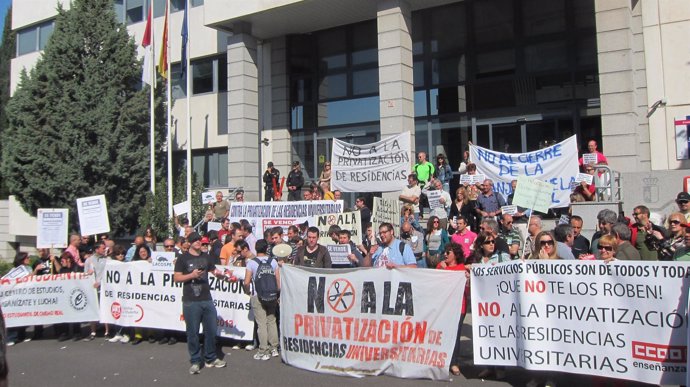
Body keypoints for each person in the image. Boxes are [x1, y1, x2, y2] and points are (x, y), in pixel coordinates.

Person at [173, 232, 227, 374]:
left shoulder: (206, 256)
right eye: (195, 240)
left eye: (200, 240)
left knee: (211, 330)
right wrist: (192, 275)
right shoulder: (182, 259)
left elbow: (213, 270)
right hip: (191, 300)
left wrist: (221, 275)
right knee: (193, 333)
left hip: (206, 298)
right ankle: (196, 360)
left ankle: (211, 357)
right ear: (189, 243)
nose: (198, 242)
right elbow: (177, 278)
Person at [239, 239, 280, 361]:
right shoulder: (273, 261)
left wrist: (247, 291)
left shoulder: (251, 263)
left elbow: (246, 282)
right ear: (267, 248)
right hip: (272, 294)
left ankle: (263, 349)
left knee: (261, 323)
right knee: (271, 320)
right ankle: (274, 348)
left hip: (258, 294)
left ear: (256, 249)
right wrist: (278, 293)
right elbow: (278, 281)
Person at [435, 242, 468, 376]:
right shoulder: (440, 266)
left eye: (448, 252)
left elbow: (465, 289)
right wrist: (441, 269)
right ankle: (441, 359)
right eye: (445, 252)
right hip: (443, 307)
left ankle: (454, 362)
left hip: (459, 307)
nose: (445, 254)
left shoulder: (462, 269)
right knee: (442, 334)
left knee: (455, 336)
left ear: (455, 255)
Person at [83, 241, 110, 341]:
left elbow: (108, 273)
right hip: (93, 289)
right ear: (97, 249)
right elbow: (84, 275)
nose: (105, 249)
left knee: (105, 308)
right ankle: (93, 331)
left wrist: (101, 282)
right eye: (103, 248)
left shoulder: (107, 259)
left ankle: (107, 331)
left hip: (104, 287)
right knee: (93, 309)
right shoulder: (89, 260)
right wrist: (88, 274)